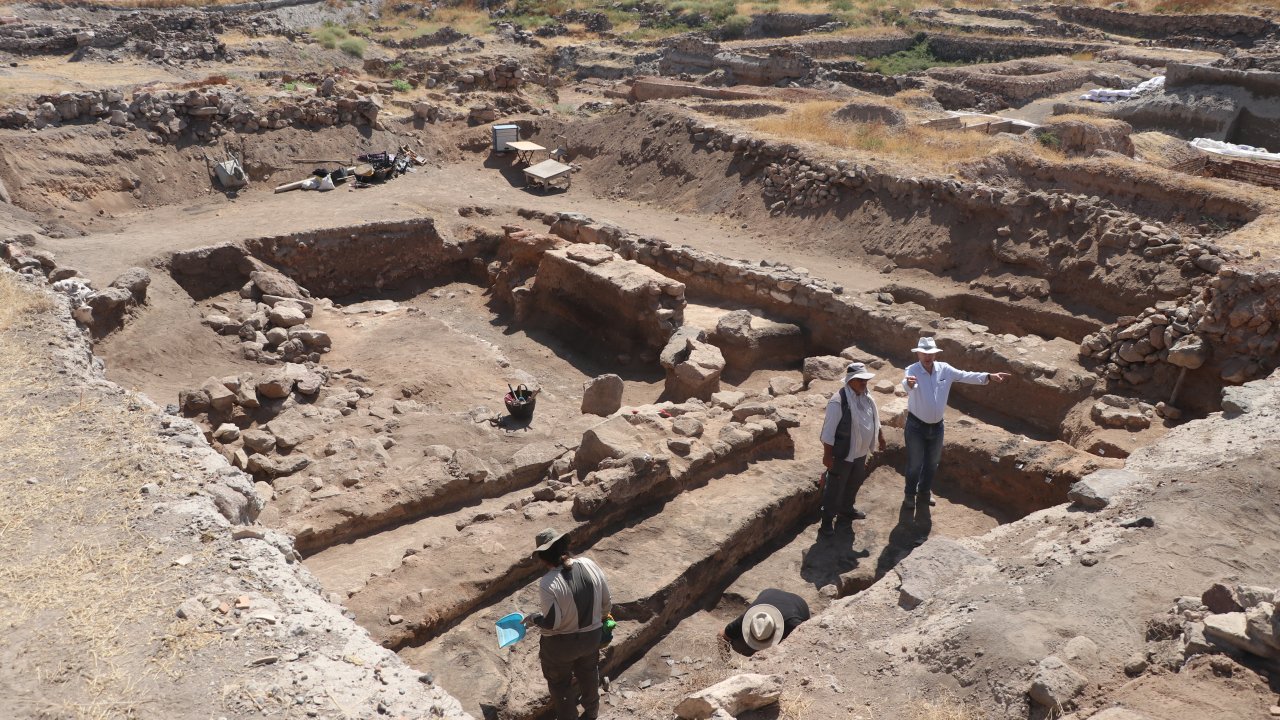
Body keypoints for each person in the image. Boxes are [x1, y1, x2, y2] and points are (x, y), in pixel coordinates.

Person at [901, 337, 1010, 508]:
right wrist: (908, 384)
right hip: (916, 426)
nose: (927, 356)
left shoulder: (944, 369)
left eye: (931, 353)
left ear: (936, 354)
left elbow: (964, 375)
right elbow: (907, 384)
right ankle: (909, 495)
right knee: (915, 463)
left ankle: (924, 492)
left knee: (932, 462)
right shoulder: (912, 370)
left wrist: (988, 376)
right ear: (918, 354)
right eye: (924, 353)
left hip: (937, 427)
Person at [522, 528, 611, 720]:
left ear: (543, 559)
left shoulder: (548, 582)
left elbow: (552, 624)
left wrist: (533, 618)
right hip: (592, 638)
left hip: (560, 647)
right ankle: (592, 712)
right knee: (589, 673)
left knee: (559, 683)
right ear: (566, 546)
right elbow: (606, 604)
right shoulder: (589, 564)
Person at [818, 361, 886, 535]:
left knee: (854, 483)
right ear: (850, 380)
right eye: (860, 380)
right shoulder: (838, 402)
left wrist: (879, 435)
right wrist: (827, 455)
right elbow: (828, 432)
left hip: (860, 453)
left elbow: (874, 419)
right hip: (843, 454)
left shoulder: (867, 396)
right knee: (834, 488)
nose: (864, 383)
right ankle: (826, 523)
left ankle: (846, 510)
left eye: (865, 380)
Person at [719, 588, 810, 656]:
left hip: (799, 604)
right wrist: (726, 661)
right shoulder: (747, 619)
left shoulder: (793, 624)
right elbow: (722, 635)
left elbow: (806, 644)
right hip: (769, 593)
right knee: (739, 645)